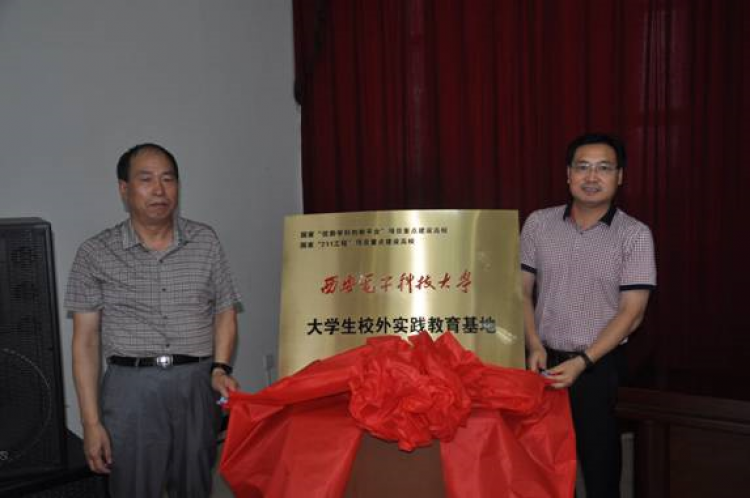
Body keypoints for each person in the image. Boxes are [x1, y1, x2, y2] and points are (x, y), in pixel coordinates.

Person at [65, 143, 241, 498]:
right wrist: (91, 422)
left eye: (168, 179)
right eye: (146, 179)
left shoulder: (205, 241)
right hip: (130, 389)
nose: (159, 190)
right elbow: (85, 341)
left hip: (196, 384)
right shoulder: (95, 252)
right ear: (124, 188)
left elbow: (224, 309)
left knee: (194, 487)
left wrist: (220, 368)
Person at [520, 133, 656, 498]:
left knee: (600, 469)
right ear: (568, 174)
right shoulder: (538, 223)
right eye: (583, 167)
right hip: (541, 362)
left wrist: (583, 361)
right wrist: (533, 343)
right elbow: (521, 291)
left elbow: (632, 312)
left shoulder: (634, 235)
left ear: (620, 176)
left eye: (604, 168)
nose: (592, 177)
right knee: (538, 467)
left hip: (598, 367)